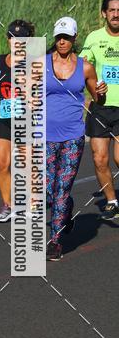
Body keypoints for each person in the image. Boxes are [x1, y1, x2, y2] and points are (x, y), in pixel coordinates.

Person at [45, 17, 106, 261]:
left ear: (74, 38)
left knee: (62, 188)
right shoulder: (40, 64)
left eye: (67, 37)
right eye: (59, 37)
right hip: (44, 136)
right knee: (49, 190)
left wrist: (101, 93)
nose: (62, 42)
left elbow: (97, 98)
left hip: (73, 136)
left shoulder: (85, 67)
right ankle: (66, 209)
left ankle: (55, 241)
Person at [0, 20, 35, 222]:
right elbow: (2, 81)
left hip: (25, 119)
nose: (15, 42)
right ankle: (8, 206)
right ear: (7, 39)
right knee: (1, 163)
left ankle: (31, 205)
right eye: (12, 38)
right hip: (3, 119)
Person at [80, 0, 119, 220]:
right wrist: (93, 88)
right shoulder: (94, 38)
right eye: (112, 10)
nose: (116, 14)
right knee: (99, 158)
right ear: (104, 13)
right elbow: (83, 66)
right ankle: (112, 201)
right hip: (101, 107)